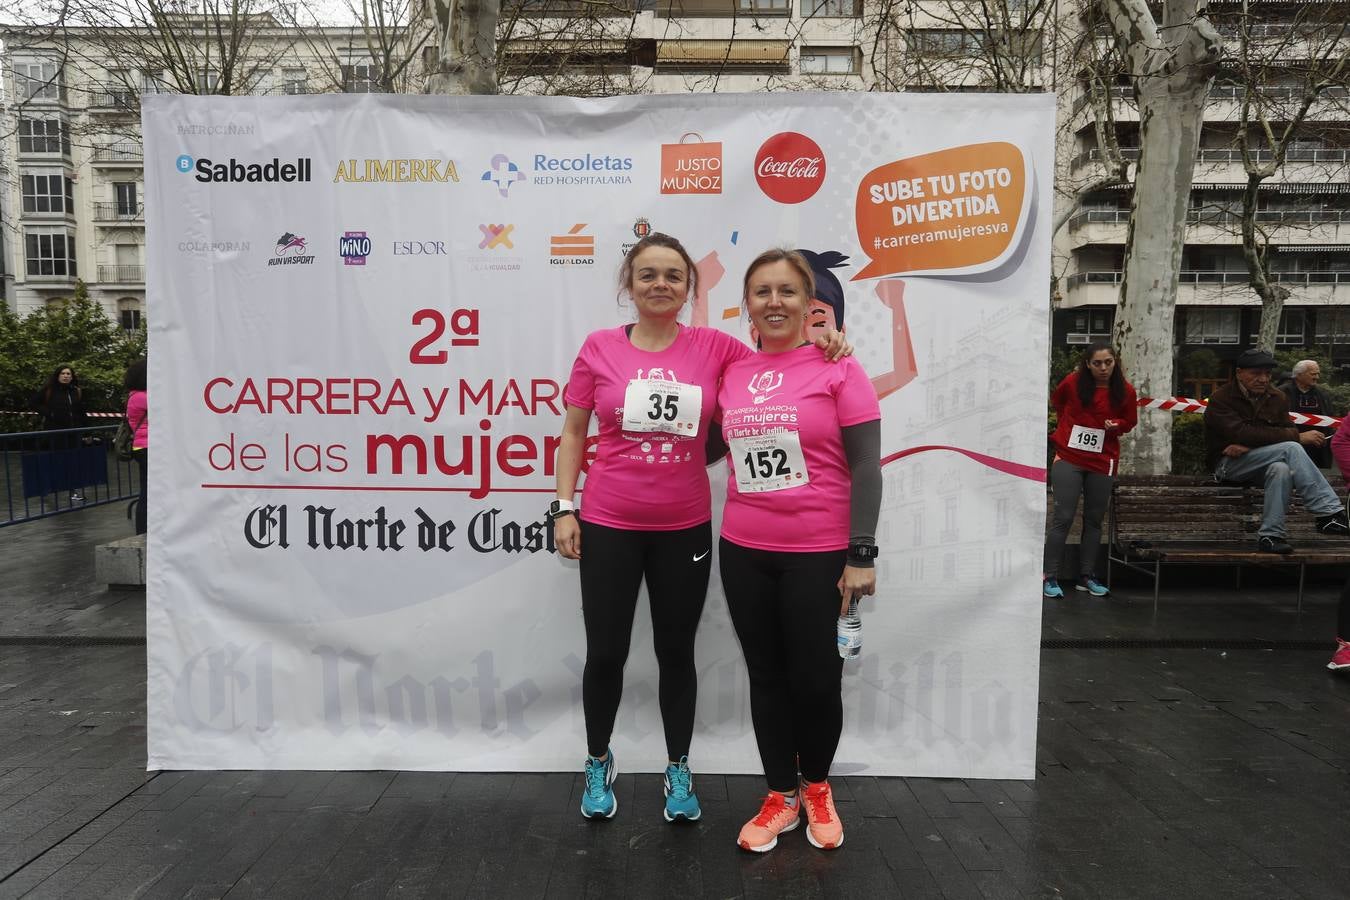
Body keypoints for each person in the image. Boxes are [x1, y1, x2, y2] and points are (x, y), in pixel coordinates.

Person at [552, 233, 849, 823]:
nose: (660, 285)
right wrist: (564, 507)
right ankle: (596, 759)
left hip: (684, 525)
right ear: (628, 286)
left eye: (673, 276)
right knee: (605, 653)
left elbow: (779, 364)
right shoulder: (598, 348)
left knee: (675, 651)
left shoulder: (717, 349)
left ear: (689, 288)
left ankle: (678, 768)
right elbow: (572, 434)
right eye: (647, 275)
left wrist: (827, 342)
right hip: (609, 520)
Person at [716, 249, 881, 853]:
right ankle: (779, 794)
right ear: (748, 305)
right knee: (766, 677)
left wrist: (861, 552)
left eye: (787, 291)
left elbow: (866, 464)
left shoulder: (838, 367)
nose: (775, 302)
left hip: (820, 551)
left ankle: (816, 786)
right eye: (762, 291)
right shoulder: (731, 372)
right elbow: (704, 443)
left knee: (816, 679)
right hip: (744, 549)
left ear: (810, 302)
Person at [1203, 348, 1350, 554]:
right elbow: (1242, 433)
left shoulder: (1277, 396)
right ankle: (1329, 513)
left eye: (1267, 374)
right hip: (1227, 466)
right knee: (1291, 446)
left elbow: (1286, 429)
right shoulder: (1221, 398)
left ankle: (1271, 536)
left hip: (1261, 463)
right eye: (1256, 373)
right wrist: (1289, 437)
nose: (1263, 379)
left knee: (1280, 469)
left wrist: (1252, 443)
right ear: (1239, 373)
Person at [1043, 344, 1138, 599]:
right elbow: (1058, 402)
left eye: (1108, 362)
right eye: (1097, 363)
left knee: (1094, 520)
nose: (1104, 368)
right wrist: (1069, 426)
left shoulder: (1125, 390)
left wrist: (1116, 425)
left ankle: (1086, 576)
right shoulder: (1072, 383)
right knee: (1063, 516)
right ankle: (1049, 576)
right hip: (1069, 457)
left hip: (1102, 460)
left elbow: (1130, 421)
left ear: (1115, 362)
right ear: (1087, 364)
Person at [30, 365, 89, 503]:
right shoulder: (49, 390)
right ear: (57, 375)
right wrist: (49, 413)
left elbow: (82, 412)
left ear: (72, 376)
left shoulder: (76, 391)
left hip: (73, 433)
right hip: (55, 433)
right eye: (63, 373)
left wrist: (87, 431)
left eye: (68, 373)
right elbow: (33, 403)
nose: (66, 376)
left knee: (72, 463)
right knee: (55, 462)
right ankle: (47, 489)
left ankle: (72, 491)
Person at [1279, 359, 1333, 468]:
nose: (1317, 377)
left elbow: (1329, 418)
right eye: (1313, 374)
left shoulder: (1323, 394)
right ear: (1299, 375)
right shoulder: (1281, 393)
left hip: (1318, 450)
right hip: (1291, 446)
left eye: (1318, 374)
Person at [124, 358, 148, 535]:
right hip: (147, 447)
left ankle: (143, 531)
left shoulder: (134, 395)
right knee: (147, 493)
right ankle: (143, 531)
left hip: (142, 447)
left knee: (146, 491)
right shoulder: (142, 397)